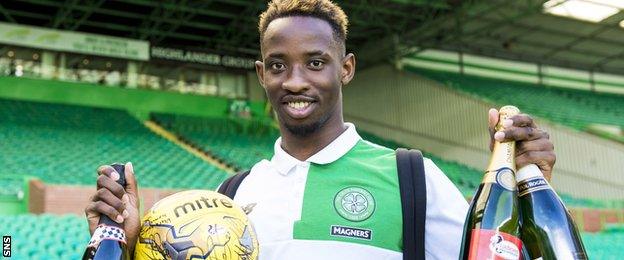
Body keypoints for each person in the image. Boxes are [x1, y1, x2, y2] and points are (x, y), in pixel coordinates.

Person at [84, 0, 556, 259]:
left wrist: (535, 193)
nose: (295, 81)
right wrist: (125, 250)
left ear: (345, 68)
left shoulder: (413, 177)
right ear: (261, 74)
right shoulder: (230, 194)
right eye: (277, 65)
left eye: (315, 62)